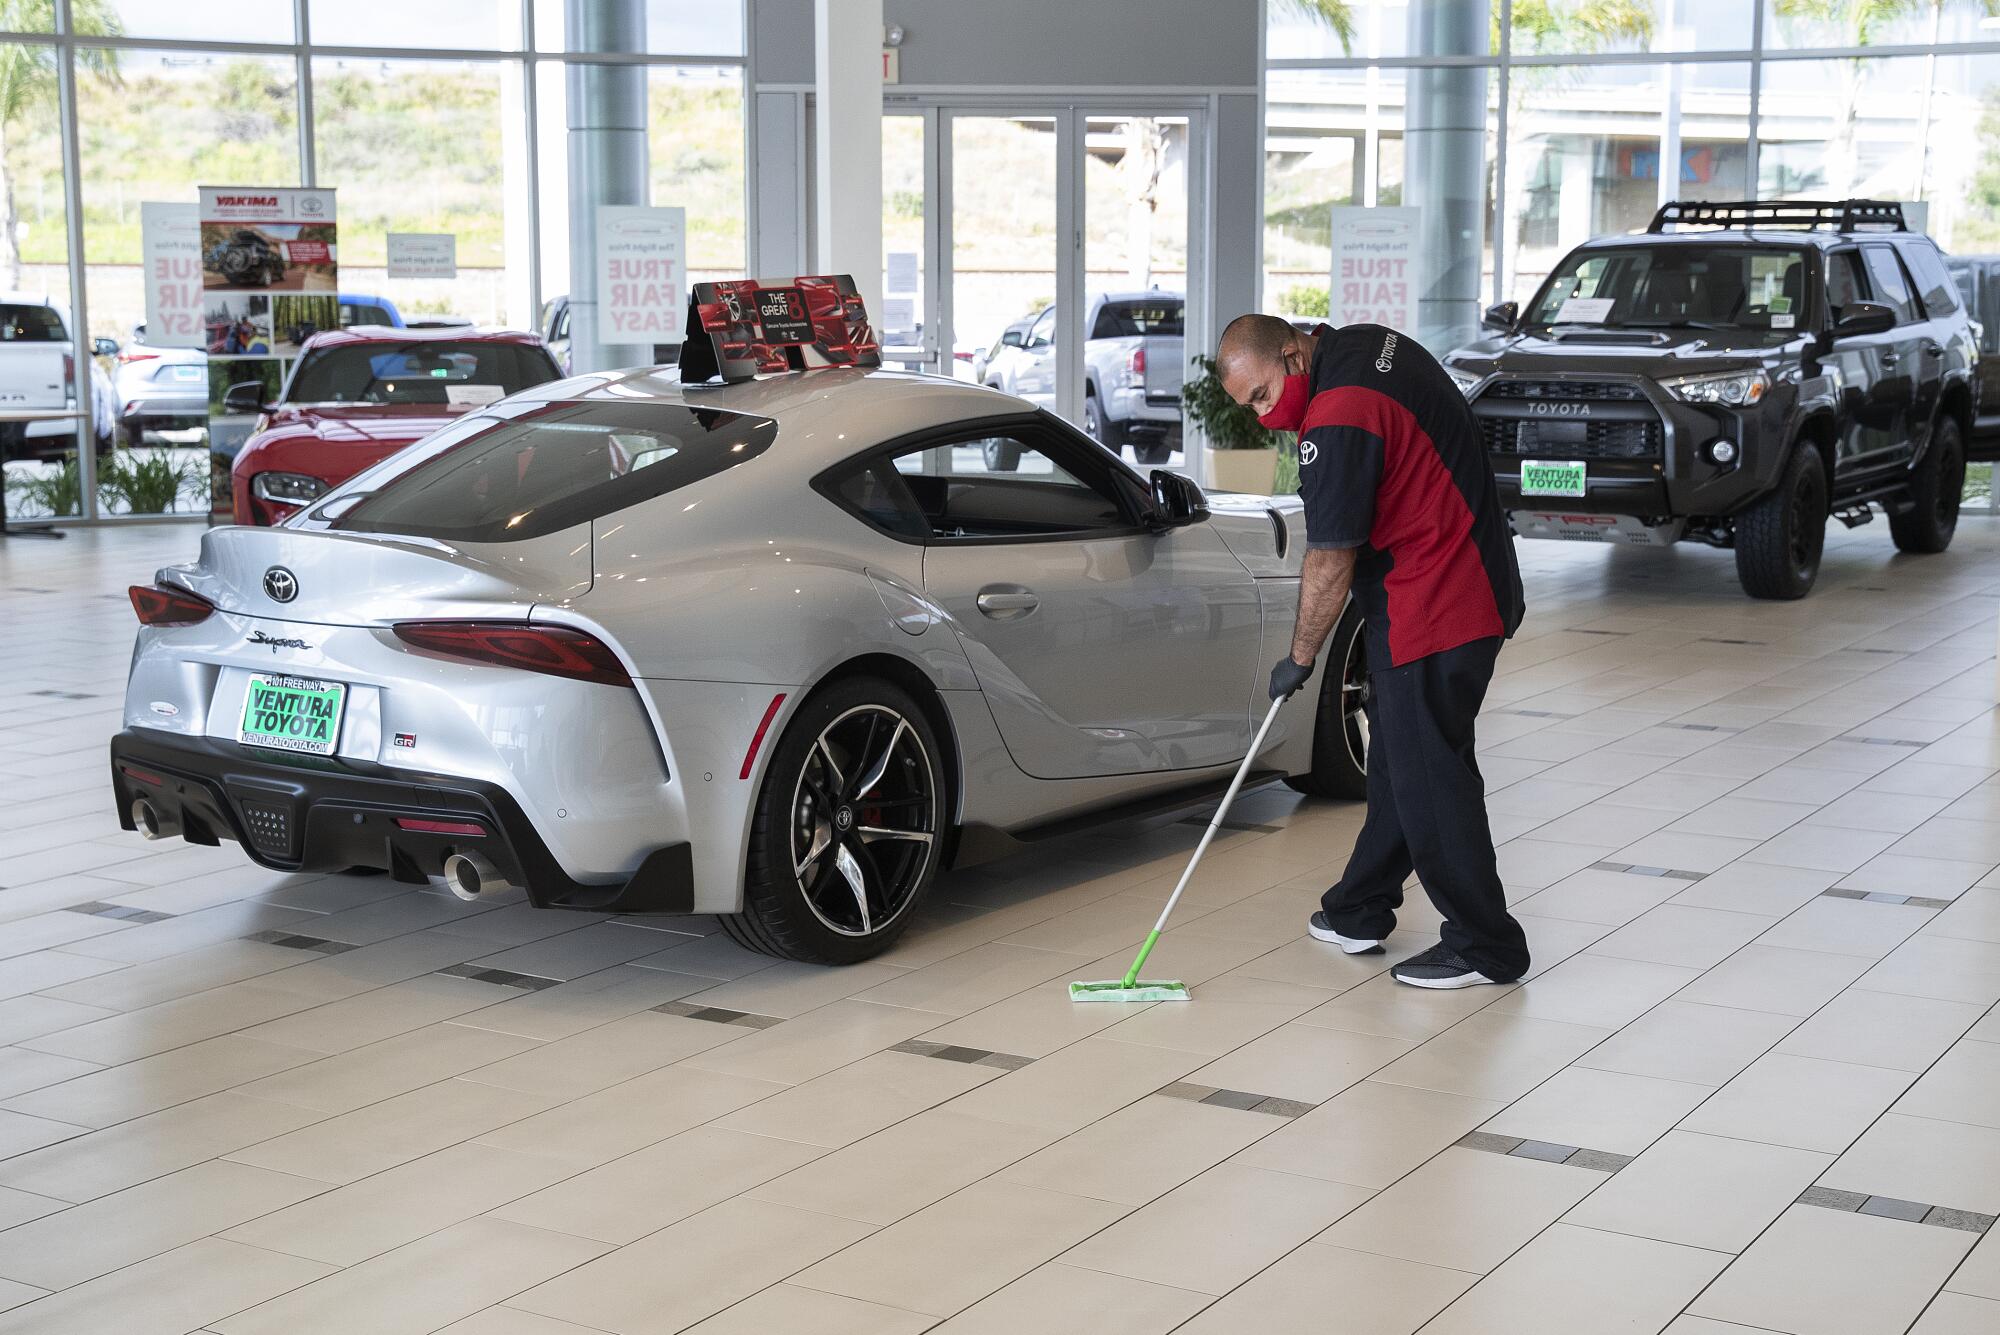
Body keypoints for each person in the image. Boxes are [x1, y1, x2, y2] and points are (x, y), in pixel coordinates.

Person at [1216, 313, 1529, 989]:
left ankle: (1486, 943)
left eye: (1264, 395)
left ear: (1293, 355)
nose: (1265, 417)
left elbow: (1330, 557)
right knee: (1400, 755)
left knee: (1427, 772)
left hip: (1440, 598)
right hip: (1461, 574)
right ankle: (1359, 908)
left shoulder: (1340, 414)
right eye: (1250, 407)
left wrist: (1300, 658)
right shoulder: (1358, 343)